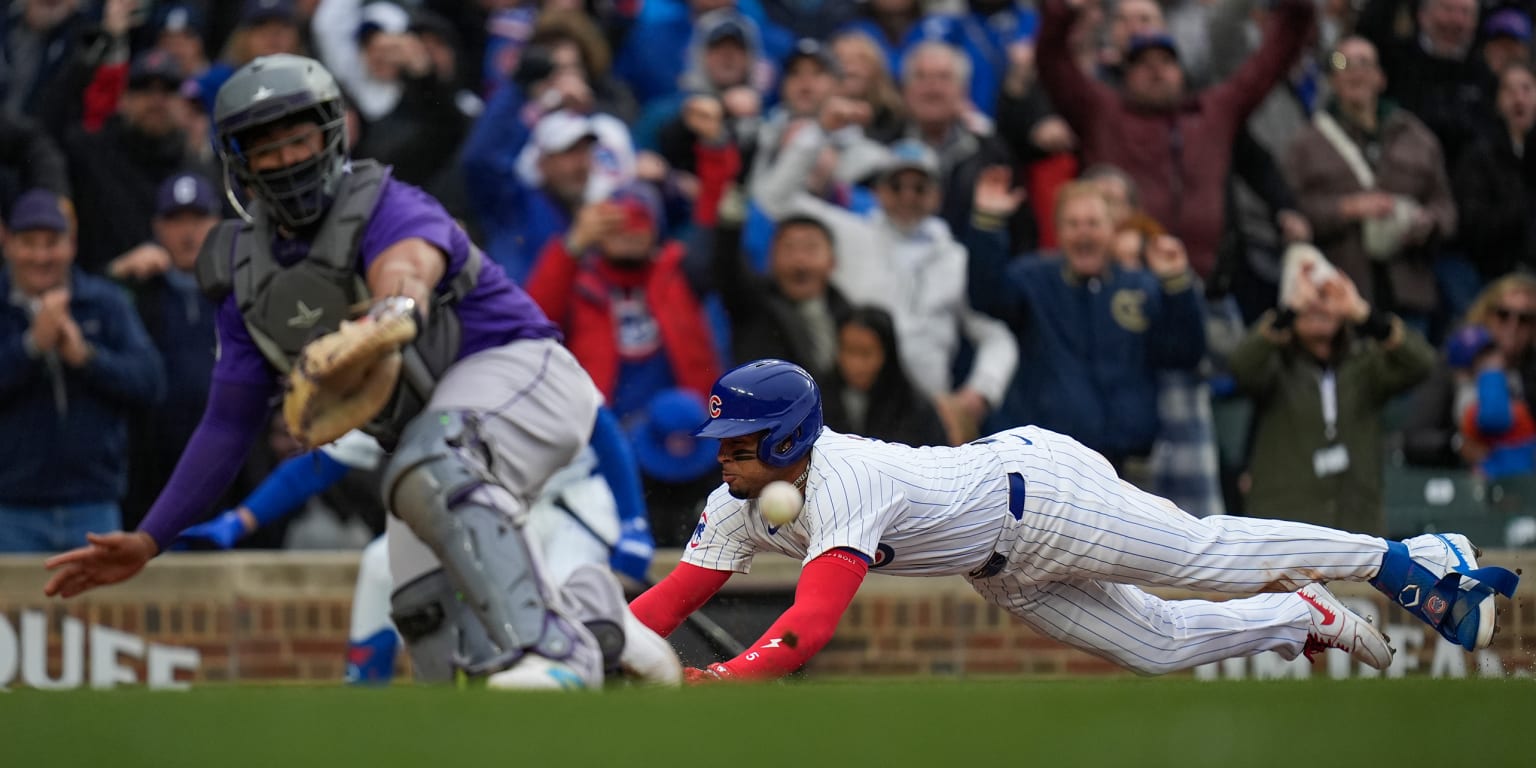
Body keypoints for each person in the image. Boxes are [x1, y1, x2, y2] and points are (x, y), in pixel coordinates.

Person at [41, 54, 629, 691]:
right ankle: (604, 630)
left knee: (430, 468)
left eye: (300, 137)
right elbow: (228, 422)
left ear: (332, 134)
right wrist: (150, 537)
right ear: (237, 160)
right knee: (420, 608)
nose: (288, 158)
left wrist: (388, 313)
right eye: (266, 147)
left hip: (525, 375)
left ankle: (556, 651)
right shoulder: (243, 271)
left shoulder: (389, 203)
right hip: (432, 437)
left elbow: (408, 271)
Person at [629, 359, 1521, 683]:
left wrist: (728, 678)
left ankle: (1401, 556)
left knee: (1204, 554)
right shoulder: (732, 503)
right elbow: (669, 601)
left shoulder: (848, 476)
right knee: (1160, 648)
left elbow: (811, 624)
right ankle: (1303, 614)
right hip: (998, 560)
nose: (724, 455)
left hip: (1042, 493)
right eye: (722, 440)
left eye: (740, 441)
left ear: (787, 436)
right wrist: (594, 646)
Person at [175, 424, 681, 686]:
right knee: (380, 566)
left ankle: (641, 674)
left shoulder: (518, 347)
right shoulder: (405, 373)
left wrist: (634, 519)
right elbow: (321, 463)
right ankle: (364, 712)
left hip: (568, 503)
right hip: (475, 510)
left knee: (570, 604)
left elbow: (600, 423)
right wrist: (239, 520)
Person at [0, 188, 165, 552]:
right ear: (7, 242)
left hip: (93, 505)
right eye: (28, 242)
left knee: (95, 612)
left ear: (71, 244)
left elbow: (150, 382)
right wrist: (31, 347)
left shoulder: (103, 302)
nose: (41, 255)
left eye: (52, 242)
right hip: (9, 509)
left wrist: (87, 358)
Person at [820, 306, 948, 448]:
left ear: (886, 355)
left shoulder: (915, 409)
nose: (856, 364)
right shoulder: (818, 401)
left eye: (866, 353)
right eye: (849, 351)